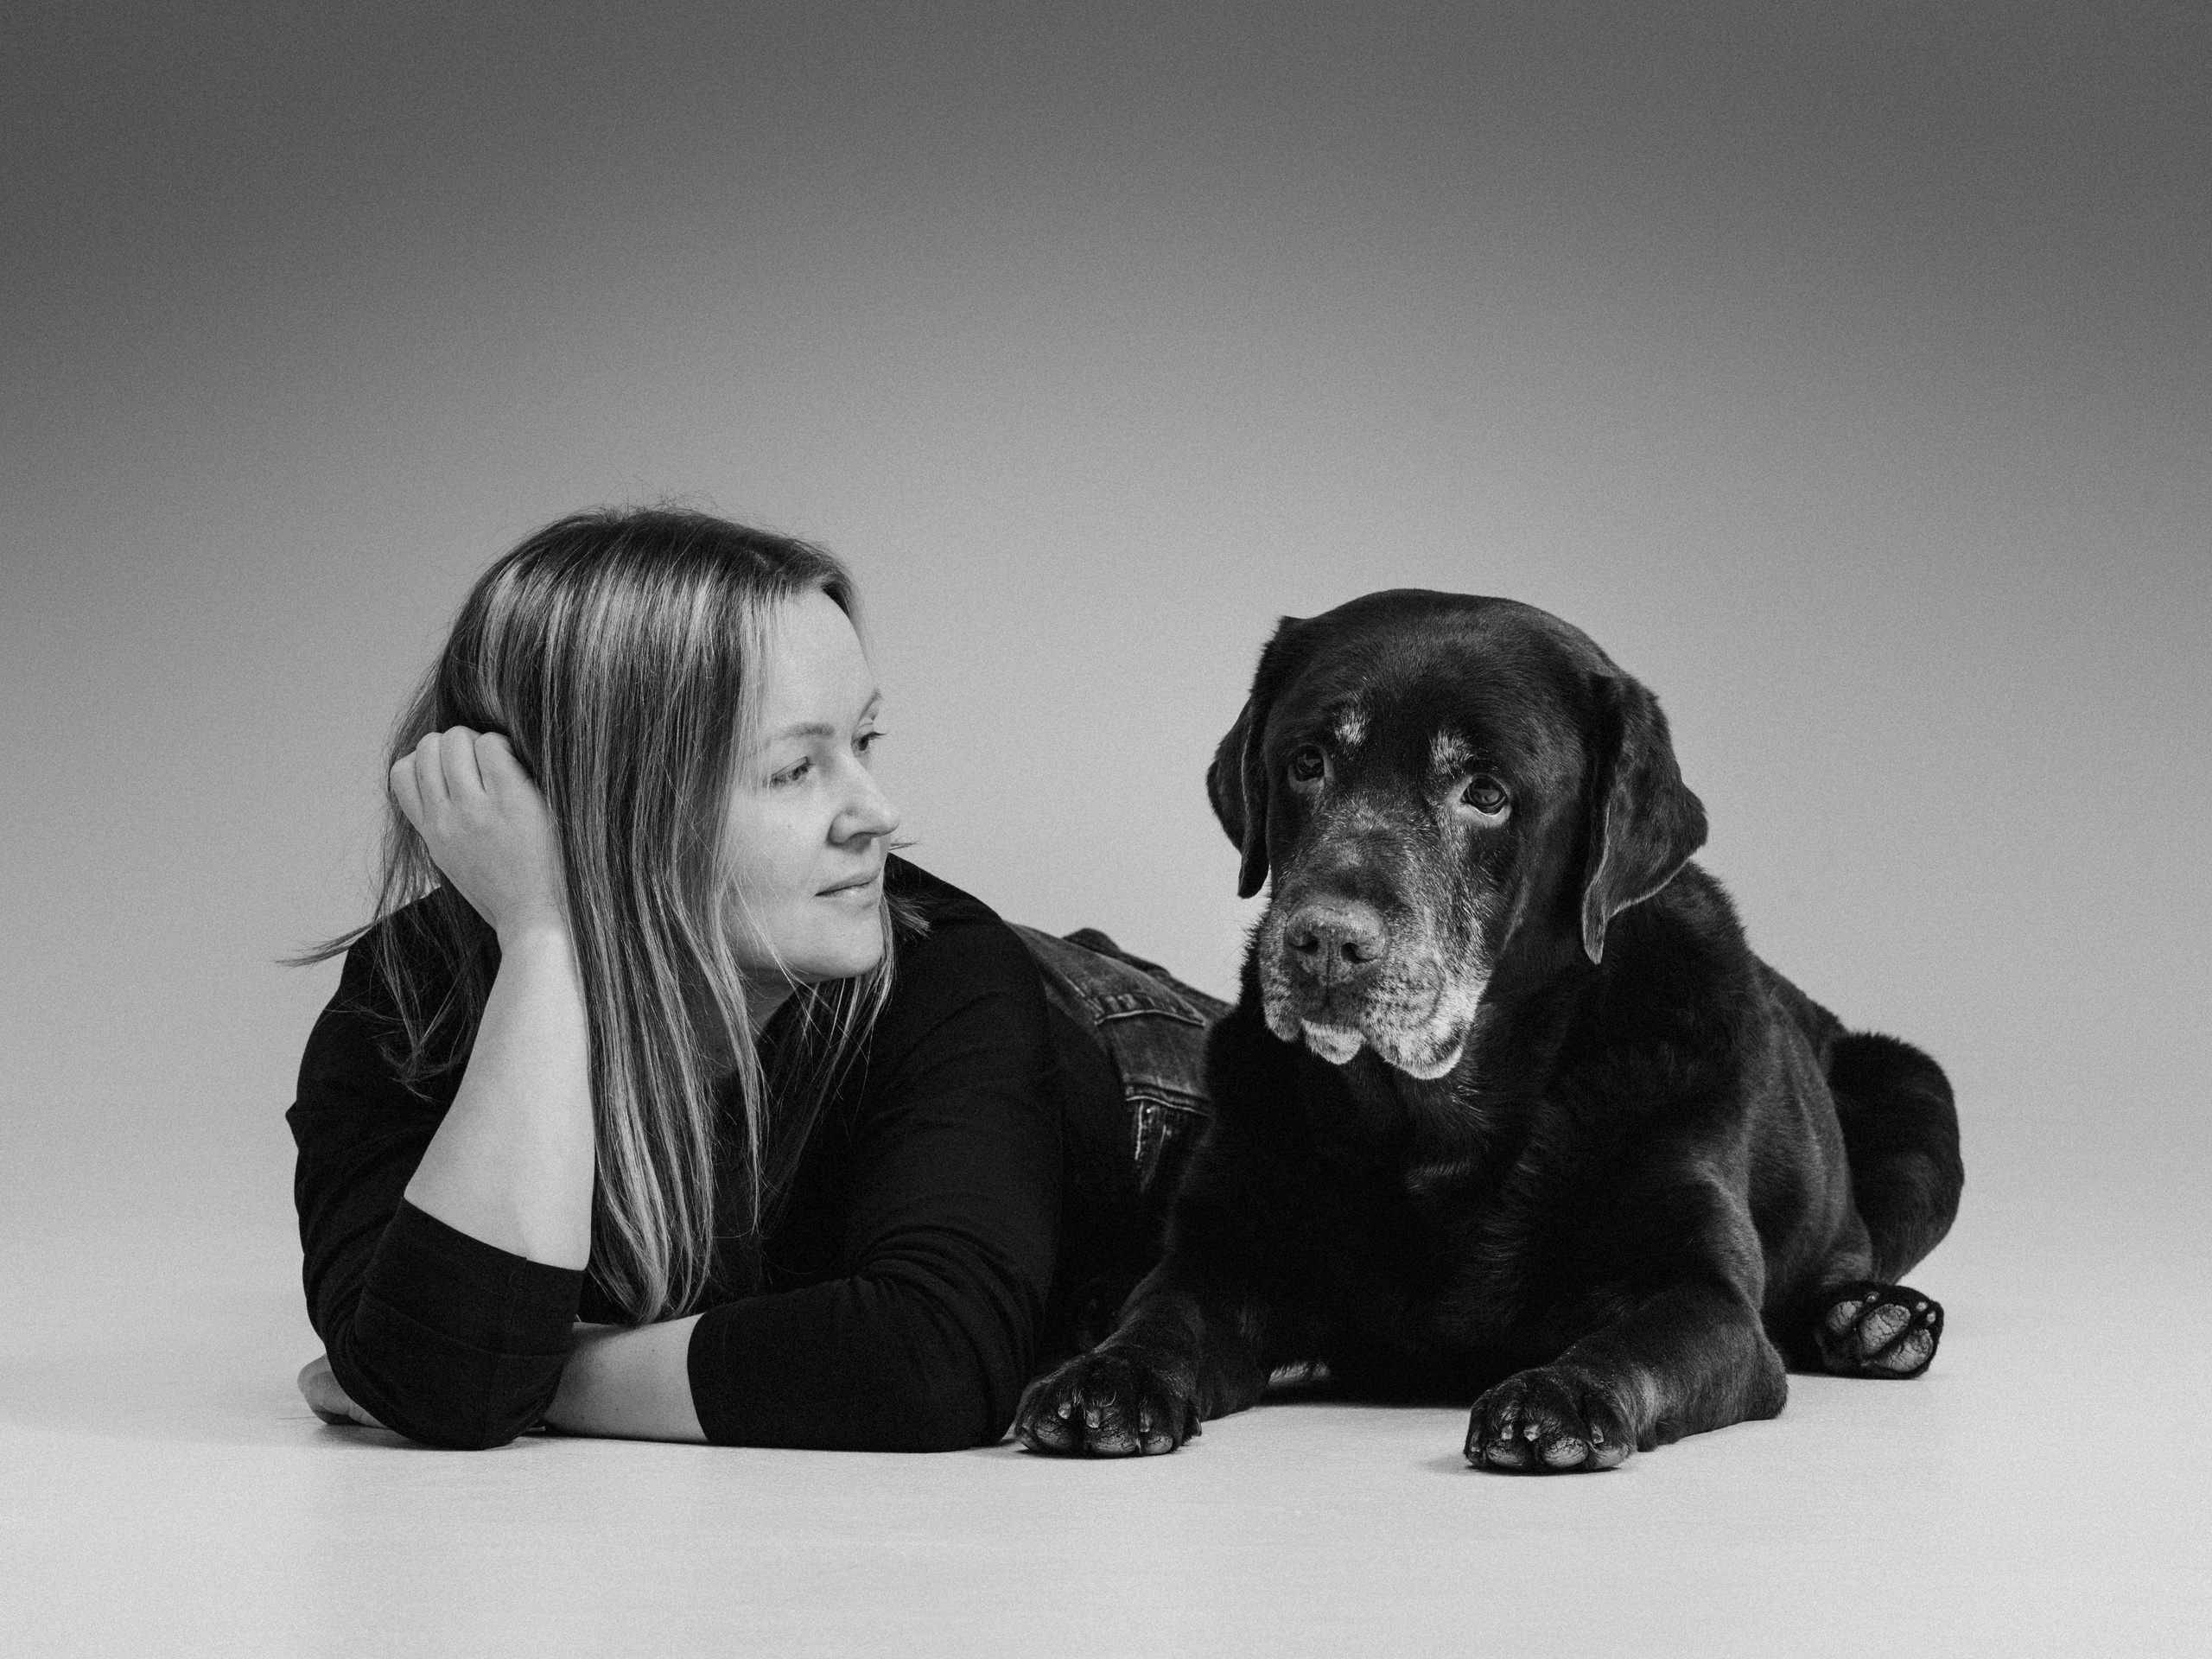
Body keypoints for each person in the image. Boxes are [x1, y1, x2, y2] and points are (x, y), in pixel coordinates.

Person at [289, 507, 1221, 1451]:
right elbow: (448, 1390)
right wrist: (544, 939)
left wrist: (523, 1366)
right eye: (794, 771)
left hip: (1150, 1070)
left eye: (864, 741)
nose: (877, 813)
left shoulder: (944, 970)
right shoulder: (411, 1002)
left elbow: (930, 1365)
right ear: (610, 805)